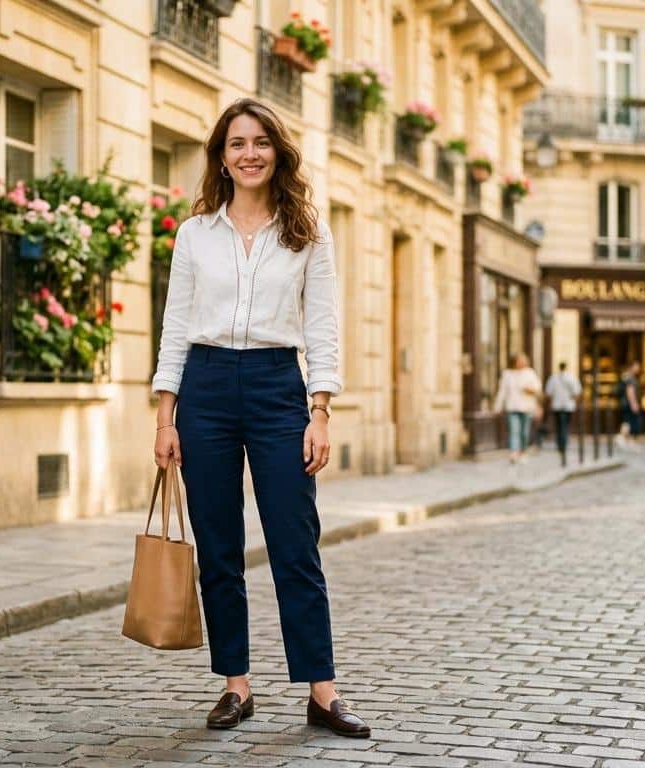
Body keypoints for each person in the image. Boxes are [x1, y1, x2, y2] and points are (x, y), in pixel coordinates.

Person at [151, 98, 369, 738]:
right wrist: (167, 416)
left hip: (278, 386)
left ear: (278, 151)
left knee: (294, 545)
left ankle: (322, 692)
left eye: (260, 142)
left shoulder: (307, 231)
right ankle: (235, 686)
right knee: (218, 546)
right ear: (221, 157)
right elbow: (176, 330)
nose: (249, 153)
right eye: (236, 143)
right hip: (207, 387)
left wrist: (320, 410)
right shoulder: (195, 234)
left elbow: (323, 328)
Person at [493, 353, 542, 463]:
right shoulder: (507, 374)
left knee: (524, 432)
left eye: (523, 360)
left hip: (527, 407)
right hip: (512, 407)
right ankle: (514, 453)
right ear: (514, 361)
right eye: (519, 360)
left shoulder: (530, 373)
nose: (521, 362)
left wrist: (530, 389)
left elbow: (538, 388)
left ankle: (523, 452)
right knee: (514, 431)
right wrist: (497, 406)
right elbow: (502, 391)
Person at [544, 361, 582, 458]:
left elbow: (548, 393)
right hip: (568, 406)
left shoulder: (553, 378)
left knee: (559, 425)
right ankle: (564, 443)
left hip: (557, 406)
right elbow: (577, 392)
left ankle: (560, 444)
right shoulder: (572, 378)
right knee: (565, 425)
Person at [615, 361, 643, 450]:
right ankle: (621, 438)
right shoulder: (630, 378)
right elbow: (630, 391)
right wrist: (634, 404)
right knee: (630, 422)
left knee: (627, 421)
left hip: (625, 403)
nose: (638, 368)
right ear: (632, 367)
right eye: (637, 366)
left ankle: (628, 441)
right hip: (629, 404)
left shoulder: (625, 376)